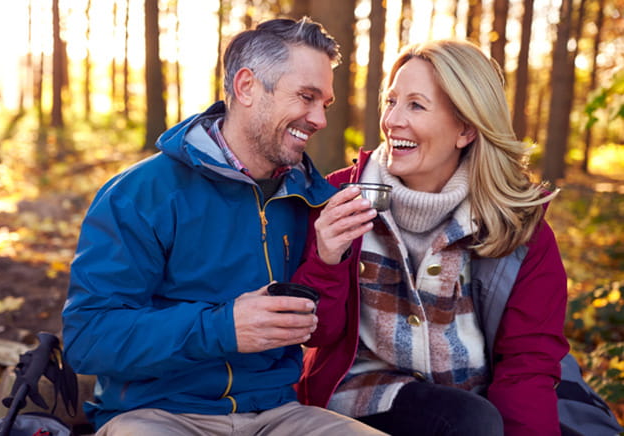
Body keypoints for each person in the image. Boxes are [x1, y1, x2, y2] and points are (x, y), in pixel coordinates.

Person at [62, 17, 385, 436]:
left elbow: (321, 332)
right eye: (306, 97)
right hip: (159, 416)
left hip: (279, 414)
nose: (319, 118)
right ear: (247, 86)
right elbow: (89, 339)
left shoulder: (309, 196)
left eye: (324, 103)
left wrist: (327, 258)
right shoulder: (142, 193)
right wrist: (222, 328)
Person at [292, 39, 570, 435]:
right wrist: (327, 258)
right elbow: (316, 334)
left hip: (476, 399)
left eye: (416, 105)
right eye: (391, 102)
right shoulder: (337, 199)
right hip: (362, 398)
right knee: (469, 421)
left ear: (466, 130)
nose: (392, 121)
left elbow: (528, 362)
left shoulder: (518, 226)